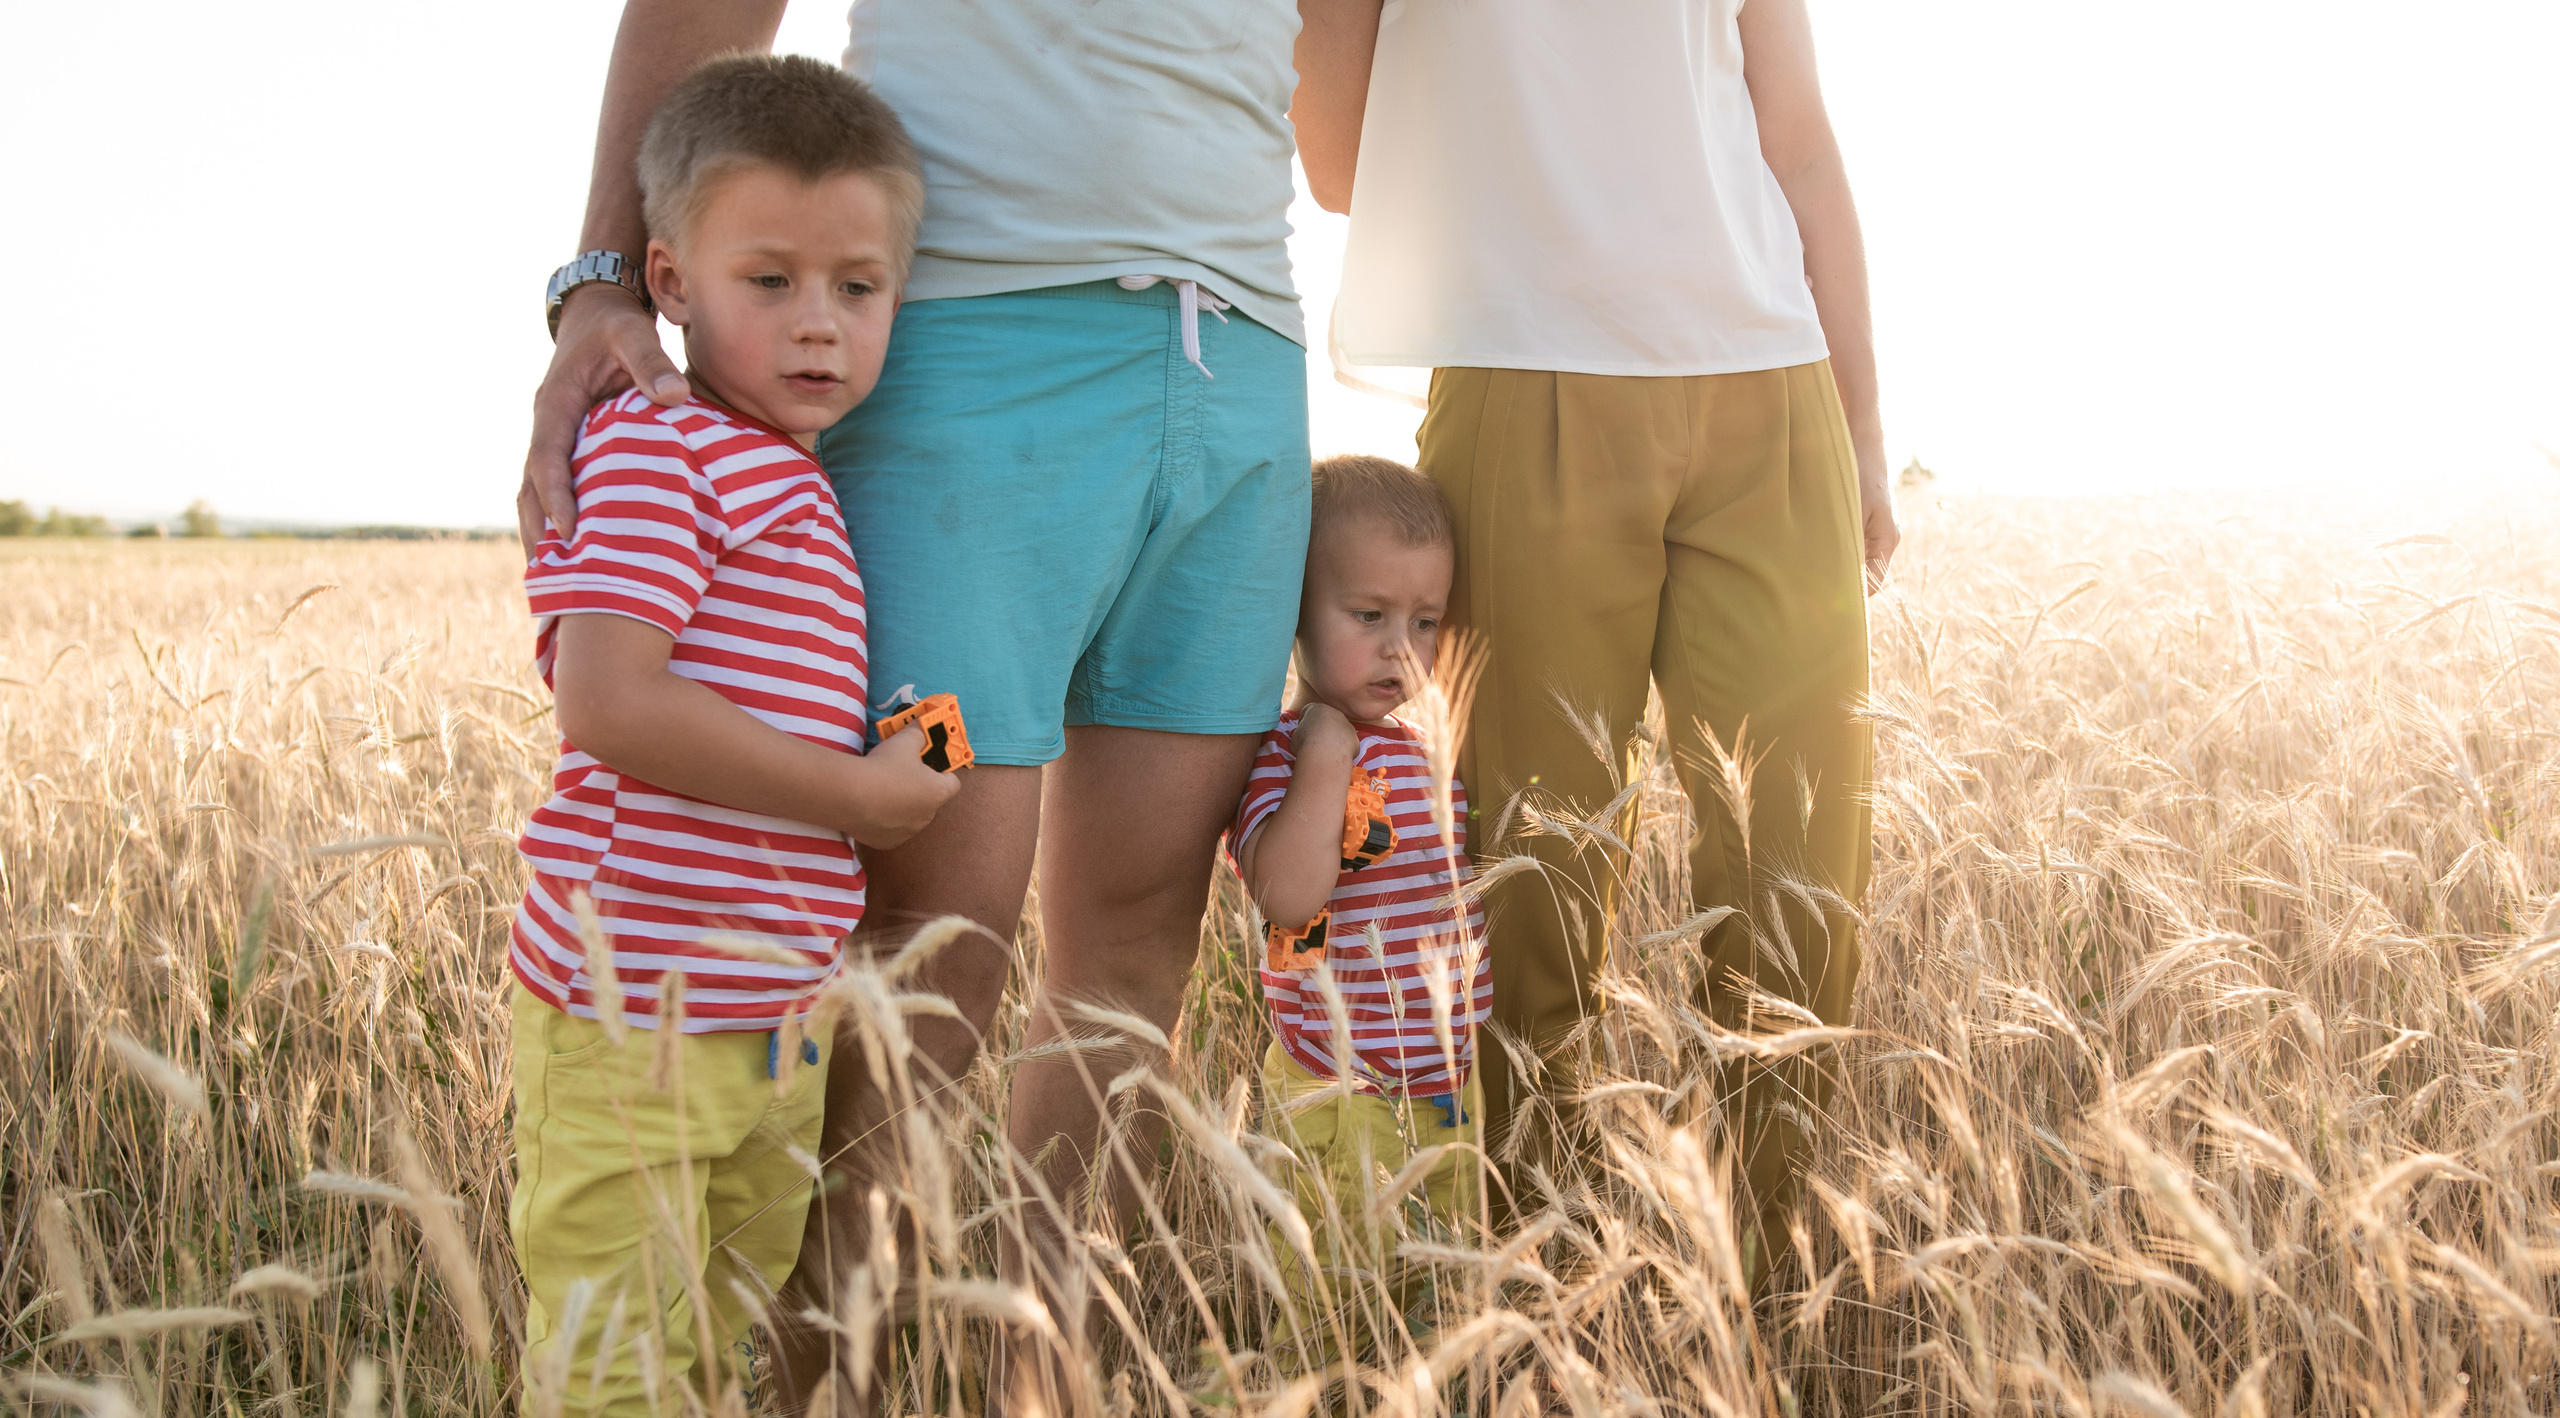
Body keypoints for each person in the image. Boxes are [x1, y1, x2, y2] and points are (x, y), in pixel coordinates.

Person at [519, 3, 1312, 1409]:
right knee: (933, 945)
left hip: (1244, 356)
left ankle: (1036, 1377)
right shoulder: (784, 368)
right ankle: (840, 1385)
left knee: (1134, 953)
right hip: (961, 331)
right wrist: (599, 275)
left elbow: (1351, 123)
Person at [1294, 0, 1897, 1287]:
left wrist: (1860, 424)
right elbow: (1341, 165)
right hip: (1526, 375)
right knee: (1528, 881)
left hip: (1770, 383)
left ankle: (1763, 1296)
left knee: (1801, 873)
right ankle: (1536, 1295)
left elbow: (1795, 136)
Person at [506, 54, 956, 1417]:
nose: (819, 324)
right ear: (669, 280)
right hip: (634, 1002)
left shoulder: (793, 475)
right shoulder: (666, 443)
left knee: (710, 1338)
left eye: (858, 288)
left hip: (769, 1019)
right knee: (617, 1367)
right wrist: (864, 799)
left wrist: (904, 754)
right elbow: (611, 697)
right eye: (771, 281)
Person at [1228, 454, 1488, 1375]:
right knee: (1332, 1308)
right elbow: (1290, 897)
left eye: (1424, 624)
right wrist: (1326, 757)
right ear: (1292, 614)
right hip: (1344, 1091)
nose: (1399, 650)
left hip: (1449, 1089)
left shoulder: (1426, 748)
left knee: (1432, 1299)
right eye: (1367, 616)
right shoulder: (1285, 756)